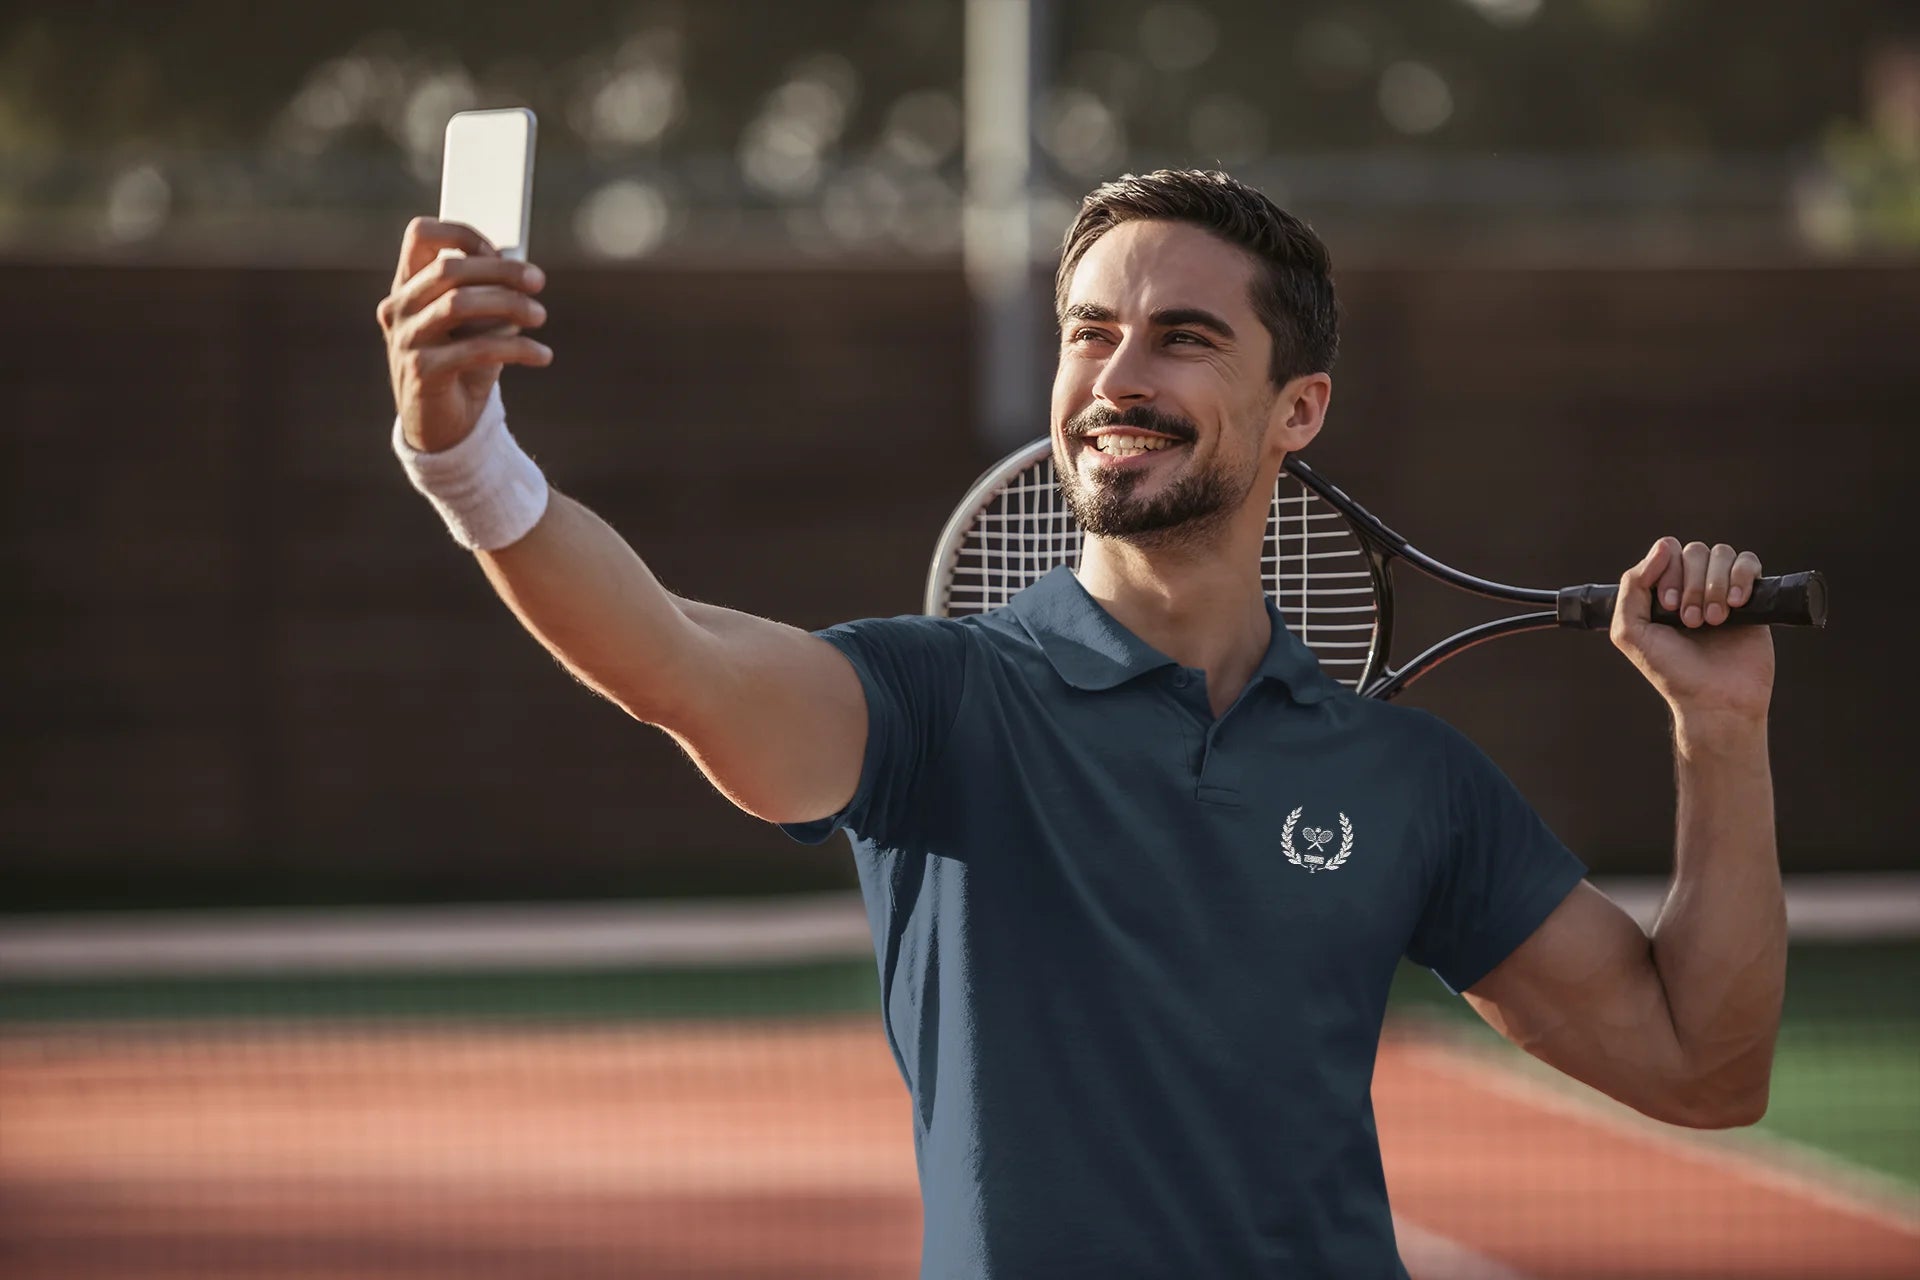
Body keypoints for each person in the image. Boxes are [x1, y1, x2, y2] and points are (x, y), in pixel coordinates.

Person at [377, 169, 1784, 1278]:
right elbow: (671, 659)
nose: (1118, 377)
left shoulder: (1409, 779)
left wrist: (1717, 732)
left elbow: (1701, 1072)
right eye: (1090, 334)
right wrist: (465, 459)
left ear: (1299, 408)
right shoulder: (935, 704)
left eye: (1182, 338)